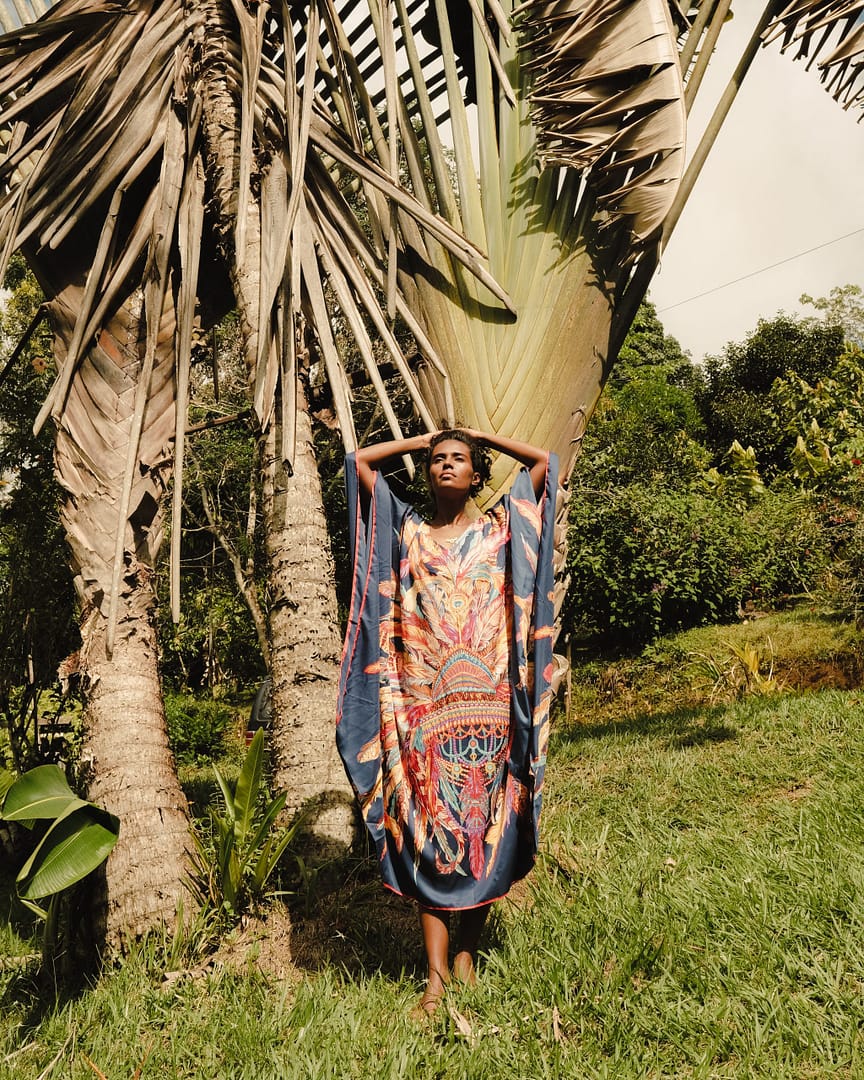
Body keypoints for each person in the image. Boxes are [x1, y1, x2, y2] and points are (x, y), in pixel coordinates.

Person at [336, 428, 558, 1016]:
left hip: (489, 703)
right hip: (422, 707)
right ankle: (434, 975)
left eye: (460, 460)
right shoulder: (406, 528)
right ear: (426, 471)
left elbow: (544, 461)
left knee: (482, 831)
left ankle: (467, 954)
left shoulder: (500, 527)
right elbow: (359, 461)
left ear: (478, 474)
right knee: (430, 831)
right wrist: (427, 435)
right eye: (438, 460)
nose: (447, 466)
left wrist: (480, 434)